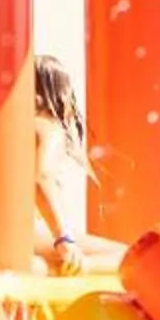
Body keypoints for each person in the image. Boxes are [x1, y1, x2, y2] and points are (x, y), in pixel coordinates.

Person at [29, 54, 124, 278]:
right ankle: (78, 268)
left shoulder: (15, 128)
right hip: (28, 231)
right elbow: (42, 177)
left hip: (2, 234)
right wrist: (64, 238)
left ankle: (44, 269)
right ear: (61, 93)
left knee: (42, 265)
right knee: (131, 258)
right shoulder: (47, 127)